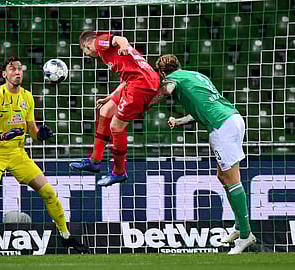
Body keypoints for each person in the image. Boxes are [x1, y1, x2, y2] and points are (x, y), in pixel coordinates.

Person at [0, 57, 89, 256]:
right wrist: (1, 135)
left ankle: (66, 236)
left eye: (20, 69)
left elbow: (31, 130)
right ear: (4, 74)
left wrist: (40, 134)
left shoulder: (27, 97)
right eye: (12, 69)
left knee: (49, 193)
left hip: (17, 154)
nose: (17, 72)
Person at [155, 54, 256, 254]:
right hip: (233, 118)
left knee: (232, 179)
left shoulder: (174, 79)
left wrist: (146, 102)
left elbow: (167, 90)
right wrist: (179, 122)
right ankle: (238, 227)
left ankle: (245, 235)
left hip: (221, 126)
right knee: (223, 176)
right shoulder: (194, 75)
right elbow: (202, 108)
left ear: (162, 73)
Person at [71, 31, 160, 187]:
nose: (87, 54)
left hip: (140, 85)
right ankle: (95, 160)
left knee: (116, 126)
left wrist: (124, 45)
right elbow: (126, 80)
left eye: (84, 50)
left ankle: (119, 172)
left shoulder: (98, 43)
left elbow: (118, 39)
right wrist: (110, 97)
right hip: (138, 81)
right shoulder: (112, 56)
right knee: (105, 110)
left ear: (86, 45)